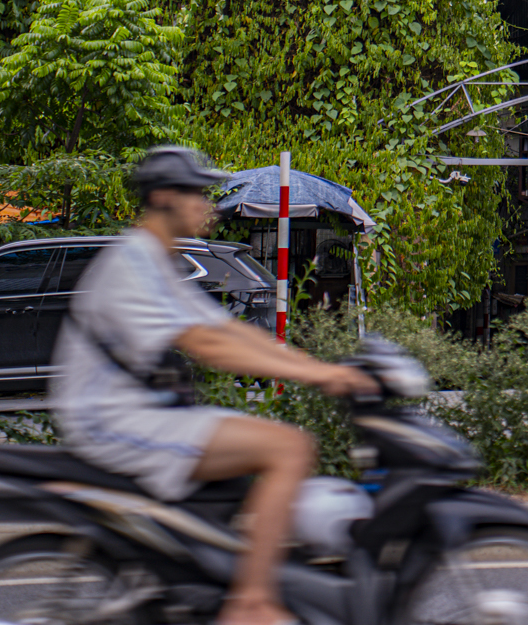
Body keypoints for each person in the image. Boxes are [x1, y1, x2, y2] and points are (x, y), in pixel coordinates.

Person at [51, 147, 376, 625]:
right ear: (164, 197)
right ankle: (251, 603)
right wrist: (318, 374)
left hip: (144, 414)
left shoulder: (159, 260)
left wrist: (312, 363)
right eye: (198, 194)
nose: (208, 204)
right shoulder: (136, 262)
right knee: (287, 448)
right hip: (111, 422)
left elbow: (230, 331)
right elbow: (207, 344)